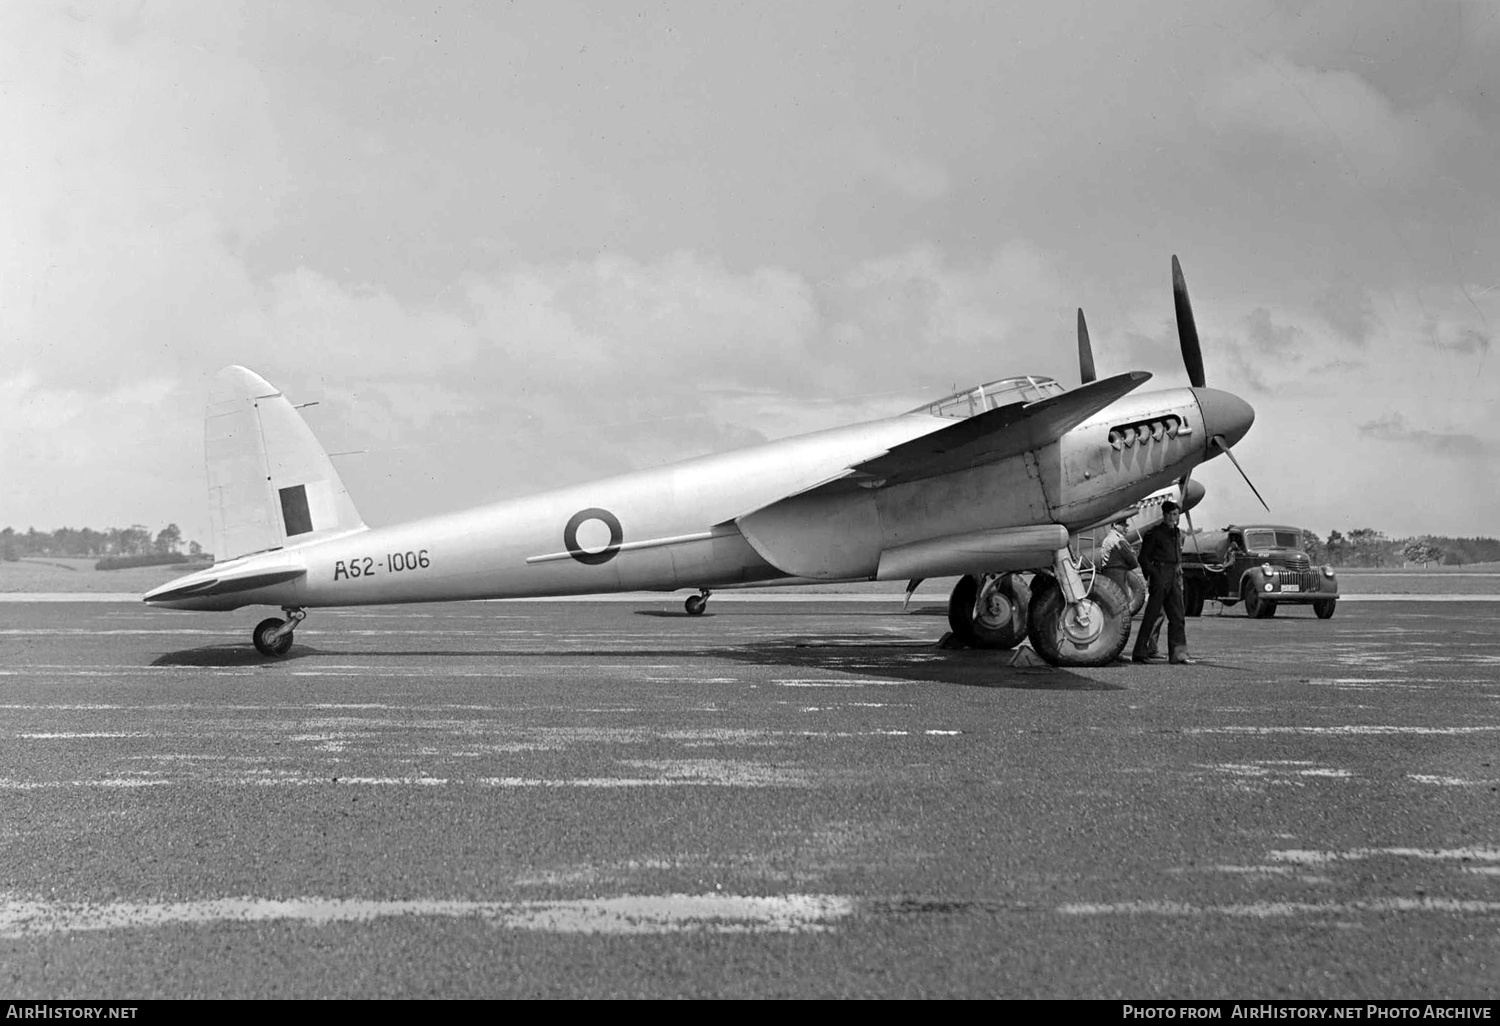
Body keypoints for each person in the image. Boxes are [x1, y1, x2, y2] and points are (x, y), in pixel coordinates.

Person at [1132, 500, 1194, 665]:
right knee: (1152, 616)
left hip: (1174, 576)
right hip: (1160, 575)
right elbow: (1143, 558)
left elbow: (1176, 556)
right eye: (1172, 514)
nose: (1175, 518)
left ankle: (1179, 653)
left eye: (1177, 515)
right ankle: (1140, 652)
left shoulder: (1177, 534)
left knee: (1178, 616)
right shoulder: (1154, 534)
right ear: (1165, 515)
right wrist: (1154, 575)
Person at [1099, 515, 1141, 651]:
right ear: (1115, 525)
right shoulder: (1119, 540)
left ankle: (1107, 648)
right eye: (1123, 524)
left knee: (1109, 614)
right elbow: (1133, 562)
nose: (1126, 527)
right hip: (1118, 575)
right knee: (1120, 614)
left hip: (1108, 575)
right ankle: (1115, 650)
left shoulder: (1107, 539)